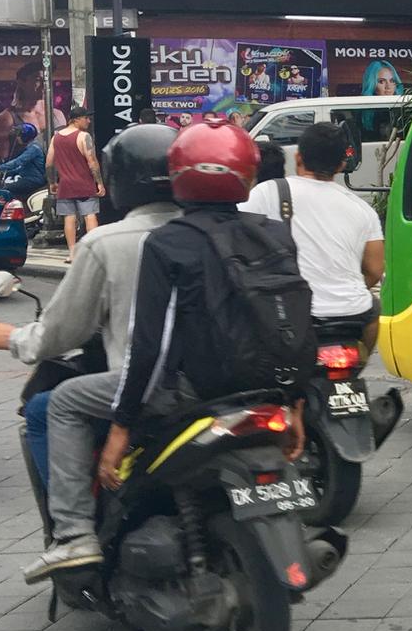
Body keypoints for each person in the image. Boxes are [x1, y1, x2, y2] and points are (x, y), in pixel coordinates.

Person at [31, 119, 305, 580]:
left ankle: (74, 533)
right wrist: (294, 402)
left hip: (187, 392)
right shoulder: (270, 233)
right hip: (259, 390)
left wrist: (121, 427)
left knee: (61, 403)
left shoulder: (169, 241)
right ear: (248, 175)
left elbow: (151, 345)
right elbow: (295, 322)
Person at [0, 125, 178, 500]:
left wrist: (16, 339)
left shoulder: (108, 243)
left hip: (147, 383)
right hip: (222, 381)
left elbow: (62, 330)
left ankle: (73, 527)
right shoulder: (214, 229)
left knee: (49, 406)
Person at [242, 121, 384, 352]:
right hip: (353, 316)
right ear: (341, 165)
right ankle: (355, 371)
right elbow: (375, 270)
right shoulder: (363, 209)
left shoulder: (267, 192)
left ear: (298, 158)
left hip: (293, 316)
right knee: (374, 308)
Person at [46, 106, 105, 260]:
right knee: (90, 216)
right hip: (84, 183)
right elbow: (92, 161)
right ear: (77, 119)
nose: (89, 121)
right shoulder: (83, 136)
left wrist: (52, 182)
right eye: (86, 118)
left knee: (69, 218)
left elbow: (49, 163)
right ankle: (93, 252)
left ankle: (72, 253)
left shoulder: (56, 137)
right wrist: (99, 182)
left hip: (65, 185)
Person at [0, 122, 45, 197]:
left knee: (5, 188)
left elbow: (17, 162)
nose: (17, 138)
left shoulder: (34, 149)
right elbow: (21, 168)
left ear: (25, 136)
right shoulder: (30, 147)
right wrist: (6, 172)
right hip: (27, 178)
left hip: (33, 179)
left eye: (19, 135)